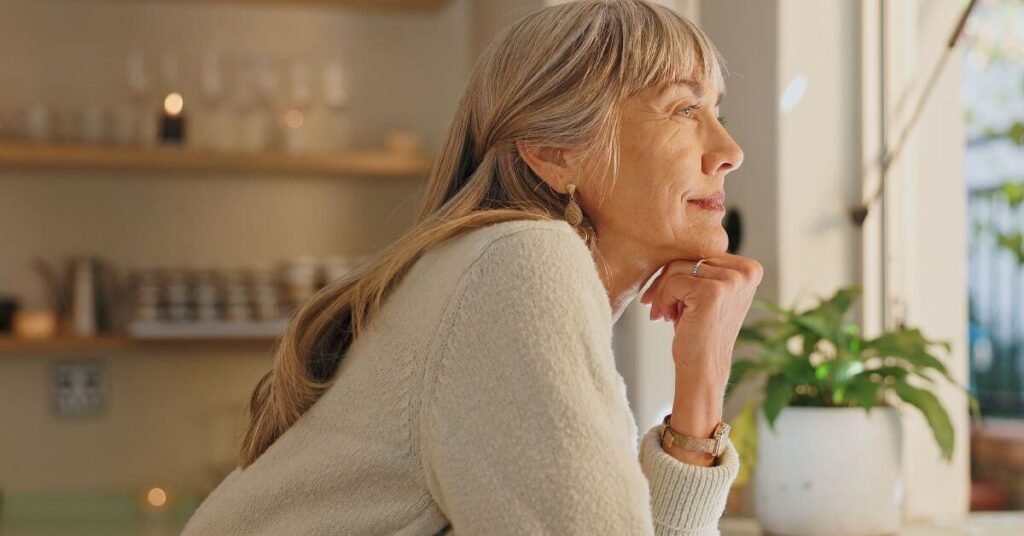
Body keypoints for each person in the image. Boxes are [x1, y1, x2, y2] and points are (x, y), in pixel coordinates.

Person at [182, 0, 762, 534]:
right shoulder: (521, 261)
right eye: (685, 109)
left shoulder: (502, 271)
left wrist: (702, 380)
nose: (730, 150)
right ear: (555, 153)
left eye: (718, 111)